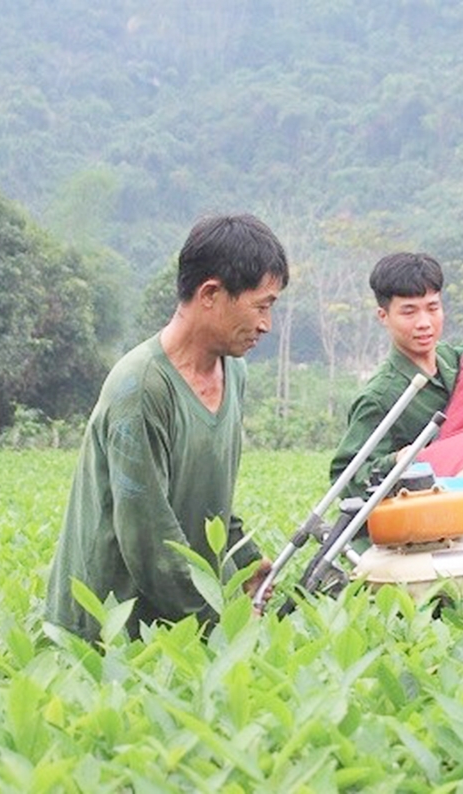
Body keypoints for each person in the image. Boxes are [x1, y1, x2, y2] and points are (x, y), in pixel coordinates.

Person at [46, 213, 289, 642]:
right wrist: (221, 623)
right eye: (261, 305)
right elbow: (147, 537)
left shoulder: (234, 373)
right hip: (108, 630)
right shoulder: (141, 388)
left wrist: (246, 561)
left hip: (175, 620)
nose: (266, 324)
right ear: (210, 293)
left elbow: (209, 502)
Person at [329, 252, 463, 497]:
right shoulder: (380, 396)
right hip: (414, 525)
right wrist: (398, 460)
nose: (424, 322)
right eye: (409, 312)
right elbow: (347, 478)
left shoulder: (449, 360)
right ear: (384, 316)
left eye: (432, 308)